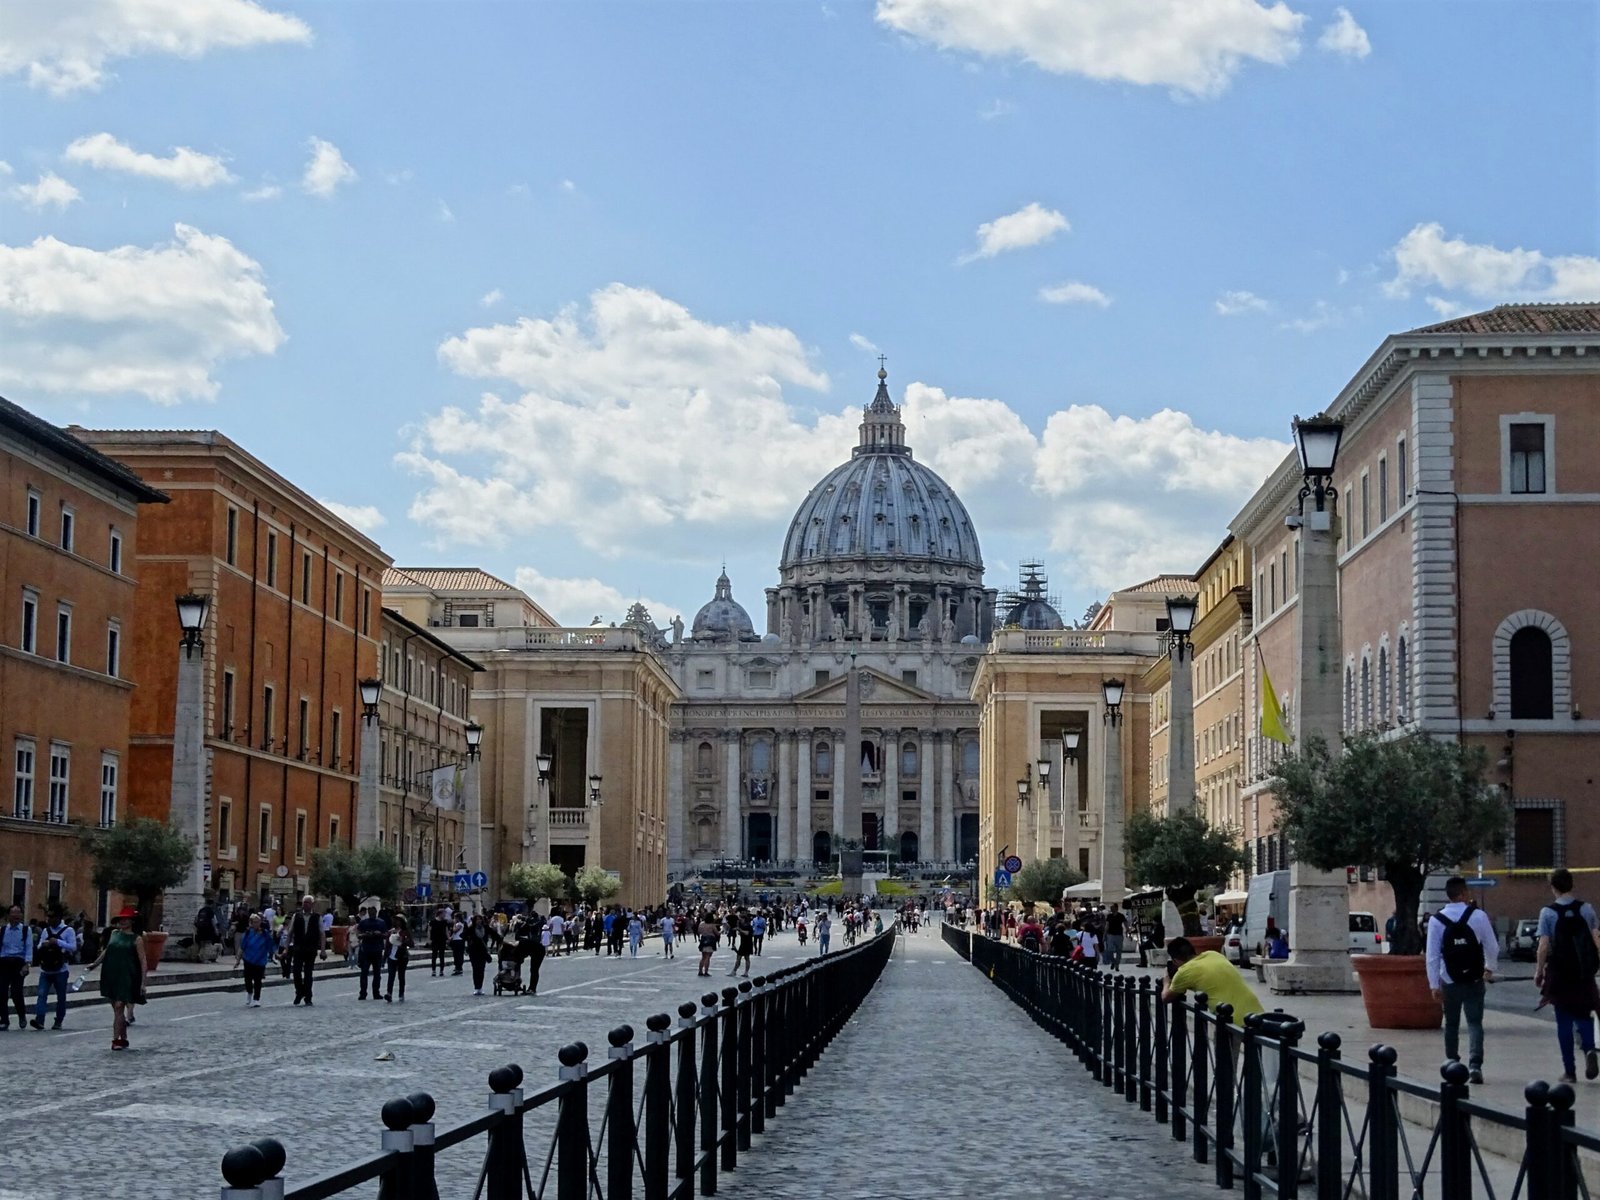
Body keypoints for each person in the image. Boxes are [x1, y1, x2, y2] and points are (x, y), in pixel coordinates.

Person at [1425, 875, 1498, 1084]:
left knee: (1451, 1023)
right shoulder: (1478, 916)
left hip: (1449, 979)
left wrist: (1433, 984)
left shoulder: (1436, 920)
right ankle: (1475, 1065)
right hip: (1474, 979)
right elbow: (1492, 947)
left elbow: (1432, 956)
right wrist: (1489, 968)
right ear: (1464, 893)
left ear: (1448, 895)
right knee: (1475, 1022)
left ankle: (1452, 1062)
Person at [1535, 867, 1600, 1084]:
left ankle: (1569, 1071)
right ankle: (1590, 1048)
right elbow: (1596, 938)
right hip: (1583, 973)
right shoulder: (1587, 909)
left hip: (1559, 973)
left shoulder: (1548, 913)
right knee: (1584, 1014)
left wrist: (1538, 972)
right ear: (1572, 885)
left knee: (1563, 1020)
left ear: (1553, 887)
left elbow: (1543, 946)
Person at [1162, 936, 1264, 1025]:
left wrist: (1166, 981)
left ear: (1175, 960)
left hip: (1232, 1020)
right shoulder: (1213, 954)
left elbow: (1166, 997)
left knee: (1223, 1046)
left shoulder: (1184, 971)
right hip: (1256, 1014)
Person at [88, 907, 145, 1050]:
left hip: (127, 975)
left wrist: (143, 983)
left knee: (120, 1006)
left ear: (132, 921)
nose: (123, 921)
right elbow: (108, 950)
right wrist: (95, 963)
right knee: (116, 1009)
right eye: (121, 919)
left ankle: (116, 1040)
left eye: (126, 919)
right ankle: (124, 1037)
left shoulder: (137, 939)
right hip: (111, 973)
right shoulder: (114, 934)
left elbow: (143, 960)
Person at [30, 910, 76, 1030]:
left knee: (61, 996)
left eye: (51, 917)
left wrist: (58, 942)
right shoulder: (46, 930)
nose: (49, 919)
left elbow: (73, 947)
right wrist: (43, 944)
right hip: (46, 969)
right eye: (48, 917)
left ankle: (58, 1020)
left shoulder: (68, 930)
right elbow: (39, 945)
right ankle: (39, 1019)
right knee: (41, 994)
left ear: (58, 917)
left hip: (61, 970)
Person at [286, 894, 326, 1006]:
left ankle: (308, 996)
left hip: (311, 949)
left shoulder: (317, 917)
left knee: (308, 973)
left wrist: (322, 950)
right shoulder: (296, 916)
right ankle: (299, 992)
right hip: (298, 948)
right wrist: (286, 948)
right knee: (296, 972)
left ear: (312, 904)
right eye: (304, 902)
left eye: (308, 902)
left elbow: (322, 934)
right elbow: (290, 933)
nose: (306, 904)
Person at [0, 904, 32, 1029]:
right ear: (9, 915)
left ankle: (21, 1014)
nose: (16, 915)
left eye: (18, 913)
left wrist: (27, 964)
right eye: (13, 913)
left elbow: (28, 947)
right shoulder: (3, 930)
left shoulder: (25, 930)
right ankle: (4, 1020)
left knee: (16, 992)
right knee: (1, 992)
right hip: (4, 962)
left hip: (18, 963)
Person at [235, 912, 274, 1007]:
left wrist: (276, 955)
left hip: (260, 961)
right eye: (255, 922)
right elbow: (242, 947)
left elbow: (270, 945)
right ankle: (249, 992)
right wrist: (238, 960)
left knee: (258, 980)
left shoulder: (265, 934)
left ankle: (257, 998)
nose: (256, 924)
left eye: (258, 922)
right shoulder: (248, 934)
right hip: (248, 959)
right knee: (247, 979)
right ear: (251, 923)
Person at [355, 904, 389, 1000]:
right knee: (364, 972)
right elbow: (358, 934)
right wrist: (365, 935)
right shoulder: (363, 922)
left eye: (373, 911)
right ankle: (363, 993)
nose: (371, 913)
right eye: (370, 911)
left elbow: (386, 934)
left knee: (377, 973)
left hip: (377, 950)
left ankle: (375, 992)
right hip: (366, 950)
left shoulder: (381, 922)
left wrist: (380, 934)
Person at [385, 917, 413, 1002]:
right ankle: (389, 993)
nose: (396, 922)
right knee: (391, 976)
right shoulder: (391, 931)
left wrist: (403, 940)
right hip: (391, 956)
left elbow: (411, 943)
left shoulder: (405, 932)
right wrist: (385, 956)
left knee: (401, 976)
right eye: (395, 920)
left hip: (402, 956)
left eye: (398, 920)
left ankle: (401, 994)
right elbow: (387, 945)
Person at [465, 914, 493, 995]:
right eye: (477, 920)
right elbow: (467, 937)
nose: (479, 921)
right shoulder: (471, 929)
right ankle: (476, 987)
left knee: (481, 969)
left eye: (480, 919)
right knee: (475, 969)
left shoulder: (485, 928)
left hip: (483, 951)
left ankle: (480, 987)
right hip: (474, 951)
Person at [1104, 904, 1127, 972]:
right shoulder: (1109, 916)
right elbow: (1107, 925)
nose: (1111, 909)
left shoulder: (1121, 916)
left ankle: (1117, 965)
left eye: (1112, 907)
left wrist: (1128, 930)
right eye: (1111, 907)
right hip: (1110, 935)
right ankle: (1113, 961)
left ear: (1116, 908)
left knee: (1119, 951)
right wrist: (1104, 935)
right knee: (1109, 951)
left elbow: (1125, 923)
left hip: (1119, 935)